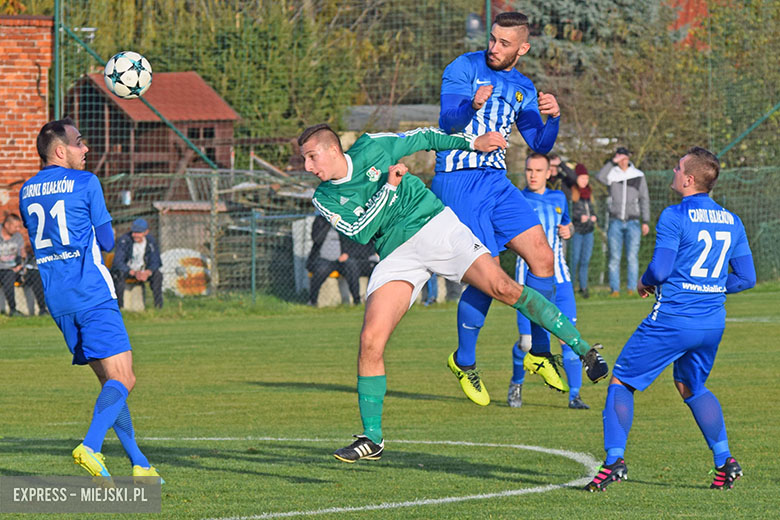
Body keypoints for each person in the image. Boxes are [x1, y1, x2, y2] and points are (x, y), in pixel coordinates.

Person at [298, 123, 606, 463]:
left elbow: (427, 137)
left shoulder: (373, 146)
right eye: (305, 160)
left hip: (436, 227)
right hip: (397, 254)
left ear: (332, 150)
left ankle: (582, 350)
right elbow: (361, 230)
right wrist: (388, 187)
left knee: (504, 287)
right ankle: (372, 437)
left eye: (312, 157)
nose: (309, 167)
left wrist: (474, 143)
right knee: (370, 339)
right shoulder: (324, 197)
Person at [584, 147, 755, 492]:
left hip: (673, 320)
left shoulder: (674, 216)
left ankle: (614, 460)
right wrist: (710, 287)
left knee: (622, 382)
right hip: (711, 324)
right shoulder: (732, 220)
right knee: (691, 386)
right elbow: (747, 278)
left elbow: (660, 269)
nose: (673, 173)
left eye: (678, 169)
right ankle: (725, 462)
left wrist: (645, 281)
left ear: (689, 180)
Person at [19, 118, 163, 482]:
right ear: (59, 150)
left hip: (58, 298)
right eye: (79, 143)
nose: (86, 150)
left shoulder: (26, 191)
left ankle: (140, 464)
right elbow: (109, 242)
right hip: (92, 292)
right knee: (125, 378)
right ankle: (91, 445)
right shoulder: (86, 182)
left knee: (111, 383)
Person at [433, 11, 565, 405]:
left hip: (496, 182)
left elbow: (540, 145)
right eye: (492, 39)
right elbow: (447, 121)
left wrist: (554, 117)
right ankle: (464, 361)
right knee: (488, 276)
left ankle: (539, 353)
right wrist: (472, 106)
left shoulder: (522, 86)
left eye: (504, 43)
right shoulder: (463, 67)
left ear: (522, 48)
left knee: (543, 259)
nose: (494, 48)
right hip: (459, 180)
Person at [509, 154, 590, 410]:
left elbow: (566, 225)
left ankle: (575, 396)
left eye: (538, 170)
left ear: (548, 173)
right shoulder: (515, 199)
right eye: (528, 170)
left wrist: (569, 230)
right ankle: (516, 383)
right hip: (528, 283)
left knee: (568, 338)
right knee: (527, 344)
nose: (532, 175)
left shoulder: (558, 198)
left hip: (561, 281)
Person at [596, 146, 651, 296]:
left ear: (628, 158)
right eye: (619, 158)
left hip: (633, 222)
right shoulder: (612, 174)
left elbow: (644, 198)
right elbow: (600, 177)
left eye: (624, 158)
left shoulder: (638, 175)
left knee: (632, 257)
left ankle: (632, 288)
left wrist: (645, 220)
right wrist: (611, 163)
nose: (622, 161)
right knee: (614, 257)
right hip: (615, 221)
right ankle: (615, 289)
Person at [307, 213, 376, 305]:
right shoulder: (321, 220)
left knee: (351, 266)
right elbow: (316, 239)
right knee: (320, 270)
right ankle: (313, 301)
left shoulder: (345, 221)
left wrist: (347, 254)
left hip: (342, 259)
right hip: (323, 259)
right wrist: (329, 222)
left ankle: (356, 300)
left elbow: (353, 242)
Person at [111, 218, 163, 309]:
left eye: (138, 232)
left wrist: (148, 272)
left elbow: (156, 261)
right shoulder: (124, 240)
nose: (135, 235)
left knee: (157, 275)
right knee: (118, 275)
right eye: (133, 232)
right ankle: (120, 307)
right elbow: (118, 262)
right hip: (128, 271)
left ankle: (158, 306)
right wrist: (133, 272)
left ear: (145, 232)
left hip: (143, 271)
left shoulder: (151, 242)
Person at [570, 163, 597, 298]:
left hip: (589, 230)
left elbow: (592, 210)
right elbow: (570, 212)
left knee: (585, 260)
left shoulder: (589, 194)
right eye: (582, 178)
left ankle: (584, 287)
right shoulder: (573, 193)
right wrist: (579, 217)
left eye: (586, 178)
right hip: (577, 231)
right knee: (575, 259)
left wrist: (593, 217)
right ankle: (571, 287)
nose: (584, 181)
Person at [0, 213, 26, 316]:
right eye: (15, 226)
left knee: (9, 275)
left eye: (19, 226)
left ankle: (13, 309)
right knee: (8, 274)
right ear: (7, 225)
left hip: (12, 269)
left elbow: (22, 254)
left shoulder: (18, 236)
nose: (18, 229)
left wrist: (20, 265)